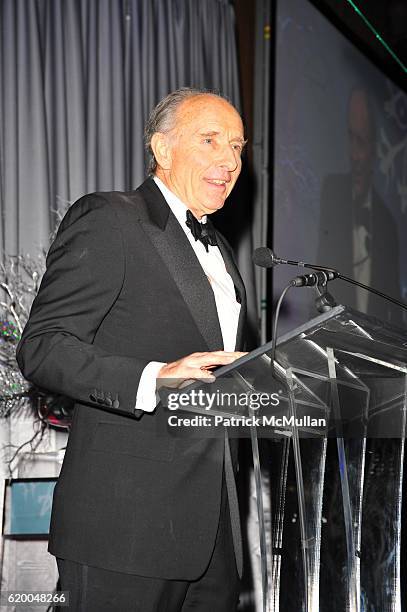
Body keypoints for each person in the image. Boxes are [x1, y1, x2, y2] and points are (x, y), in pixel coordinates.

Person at [16, 88, 247, 611]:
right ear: (161, 149)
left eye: (237, 146)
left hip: (214, 529)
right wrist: (154, 377)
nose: (230, 160)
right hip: (125, 521)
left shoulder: (224, 253)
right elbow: (44, 348)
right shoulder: (110, 218)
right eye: (210, 140)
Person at [317, 86, 401, 324]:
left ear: (375, 148)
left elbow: (393, 306)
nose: (355, 155)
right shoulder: (331, 192)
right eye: (351, 139)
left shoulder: (387, 223)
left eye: (362, 142)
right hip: (334, 343)